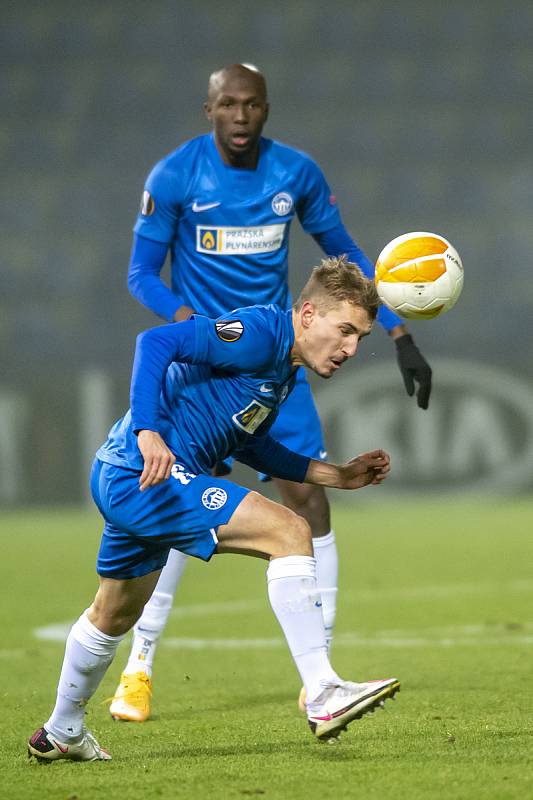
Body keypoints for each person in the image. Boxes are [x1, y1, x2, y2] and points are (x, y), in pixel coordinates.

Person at [111, 63, 430, 722]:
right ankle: (138, 665)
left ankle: (321, 669)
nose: (239, 116)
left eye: (251, 105)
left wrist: (397, 333)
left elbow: (343, 252)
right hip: (207, 368)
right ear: (208, 109)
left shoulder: (295, 173)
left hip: (279, 358)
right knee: (172, 498)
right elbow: (142, 272)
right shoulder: (175, 176)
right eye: (227, 104)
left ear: (265, 109)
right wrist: (186, 325)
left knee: (309, 497)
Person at [28, 258, 399, 762]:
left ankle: (61, 731)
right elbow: (155, 343)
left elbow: (251, 444)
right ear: (308, 313)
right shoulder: (257, 333)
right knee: (289, 530)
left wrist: (333, 475)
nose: (352, 348)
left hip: (137, 477)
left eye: (360, 337)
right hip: (146, 469)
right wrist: (149, 430)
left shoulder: (281, 368)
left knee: (113, 613)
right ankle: (322, 689)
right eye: (346, 331)